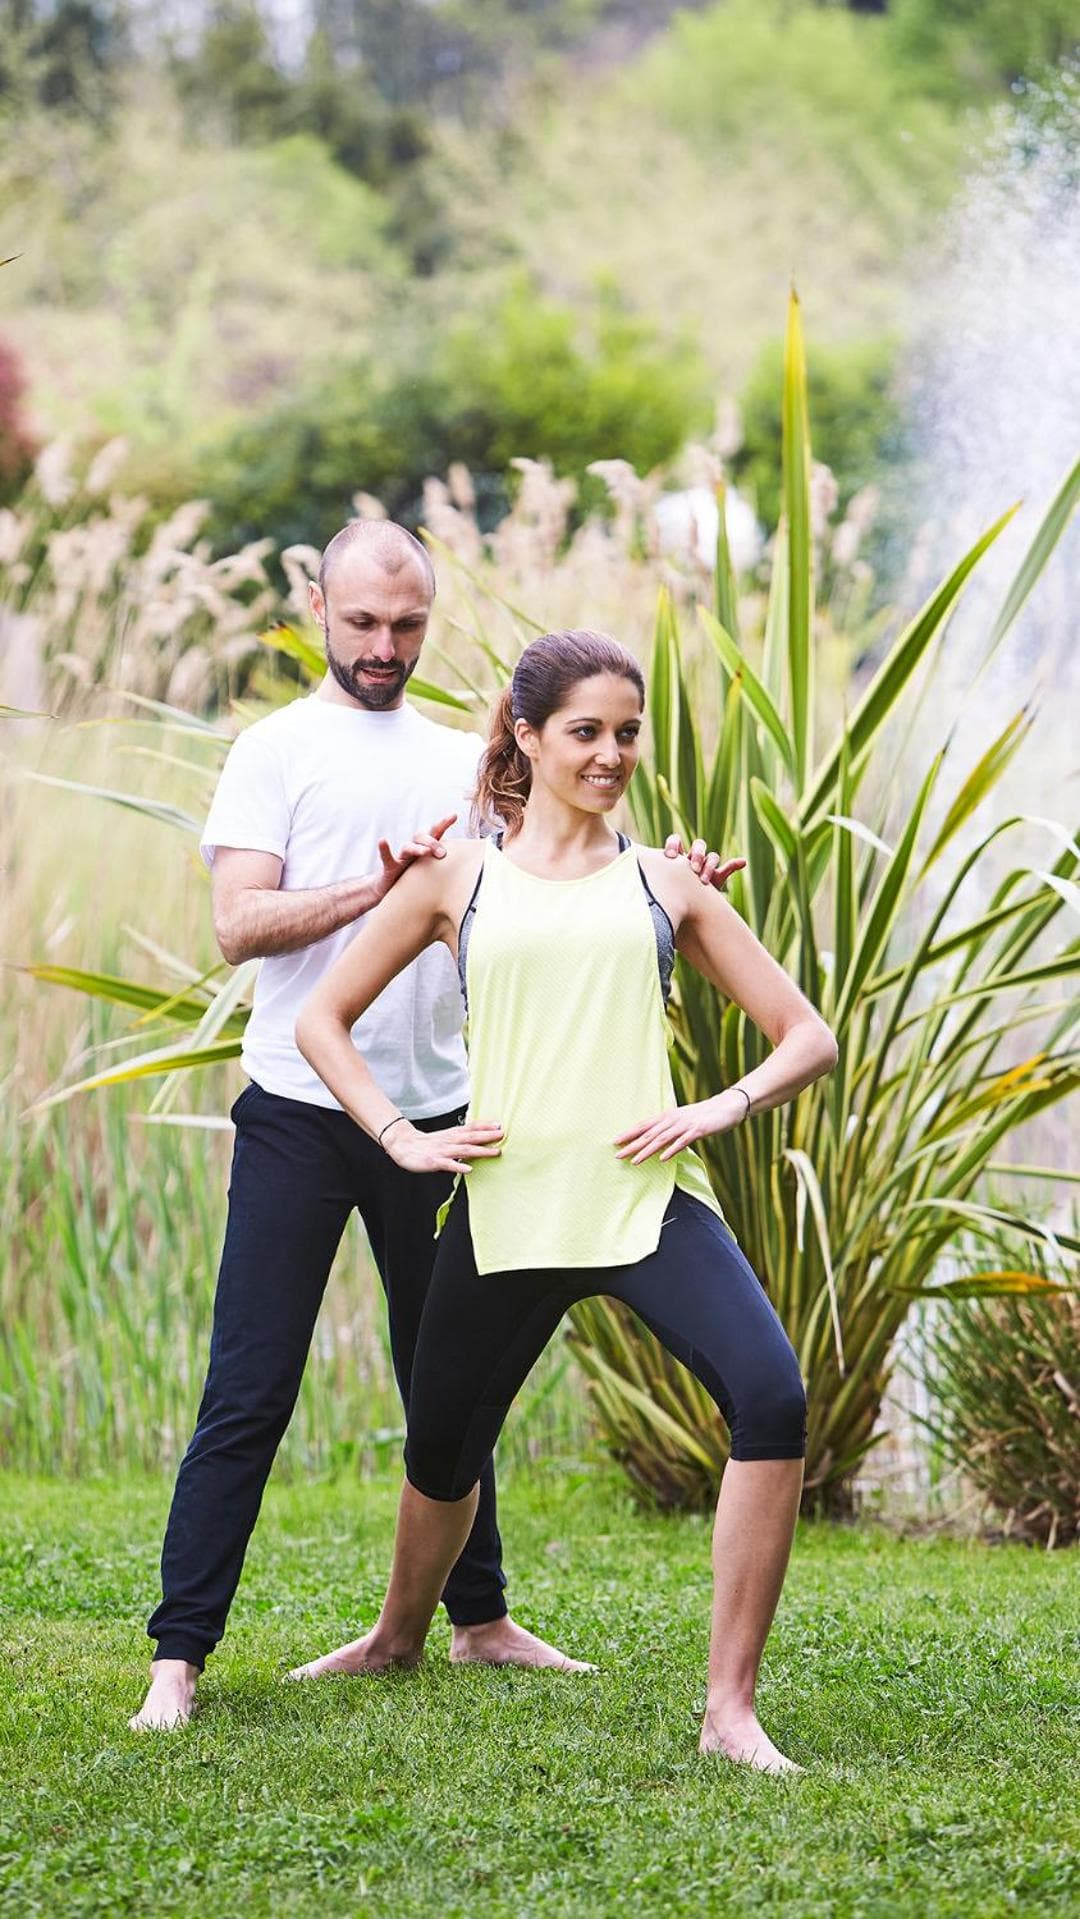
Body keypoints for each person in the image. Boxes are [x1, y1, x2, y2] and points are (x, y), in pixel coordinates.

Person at [132, 528, 741, 1731]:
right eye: (360, 622)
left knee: (452, 1376)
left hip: (455, 1116)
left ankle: (479, 1618)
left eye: (405, 625)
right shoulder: (274, 749)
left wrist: (682, 878)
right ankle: (177, 1656)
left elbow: (572, 863)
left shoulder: (471, 751)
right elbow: (238, 926)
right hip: (303, 1113)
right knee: (250, 1387)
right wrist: (384, 887)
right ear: (318, 604)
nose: (383, 647)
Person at [290, 628, 838, 1774]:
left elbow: (808, 1035)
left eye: (627, 733)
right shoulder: (455, 878)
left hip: (644, 1196)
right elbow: (320, 1019)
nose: (610, 754)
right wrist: (398, 1134)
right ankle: (399, 1637)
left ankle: (729, 1708)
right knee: (444, 1444)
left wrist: (720, 1106)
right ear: (527, 735)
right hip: (506, 1205)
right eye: (585, 731)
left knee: (771, 1393)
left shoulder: (667, 881)